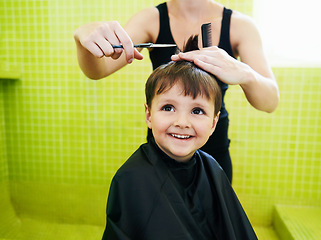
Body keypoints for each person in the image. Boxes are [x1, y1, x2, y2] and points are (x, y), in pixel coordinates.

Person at [74, 0, 280, 182]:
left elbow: (270, 101)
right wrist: (83, 39)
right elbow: (98, 70)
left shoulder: (240, 26)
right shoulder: (150, 20)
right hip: (162, 151)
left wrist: (244, 72)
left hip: (214, 153)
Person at [102, 36, 258, 240]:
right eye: (168, 108)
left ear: (213, 122)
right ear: (149, 115)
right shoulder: (130, 179)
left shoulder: (213, 170)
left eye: (197, 111)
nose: (182, 122)